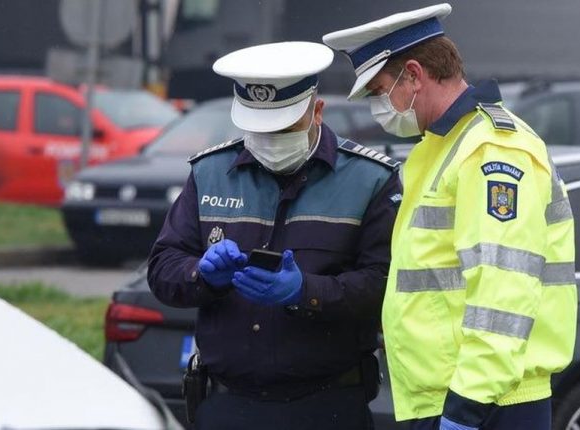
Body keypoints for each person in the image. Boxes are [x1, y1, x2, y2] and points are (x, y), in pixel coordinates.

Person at [323, 4, 577, 430]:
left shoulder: (490, 150)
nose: (378, 108)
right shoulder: (443, 146)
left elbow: (503, 289)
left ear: (414, 75)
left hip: (486, 403)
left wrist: (466, 408)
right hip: (452, 396)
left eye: (380, 91)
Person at [147, 41, 402, 430]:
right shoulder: (210, 172)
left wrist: (306, 292)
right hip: (227, 404)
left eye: (285, 128)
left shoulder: (369, 180)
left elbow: (386, 285)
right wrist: (202, 274)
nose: (270, 140)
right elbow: (163, 268)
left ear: (317, 111)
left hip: (328, 405)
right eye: (259, 129)